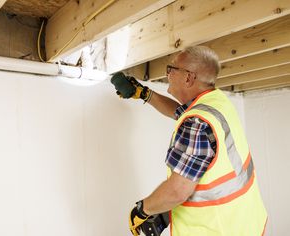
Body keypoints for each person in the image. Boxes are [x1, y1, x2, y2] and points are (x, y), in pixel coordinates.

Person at [111, 46, 267, 236]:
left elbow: (177, 191)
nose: (167, 74)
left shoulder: (197, 122)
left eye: (171, 69)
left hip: (217, 229)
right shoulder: (216, 103)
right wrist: (145, 94)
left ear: (188, 77)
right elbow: (180, 112)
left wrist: (142, 210)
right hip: (245, 223)